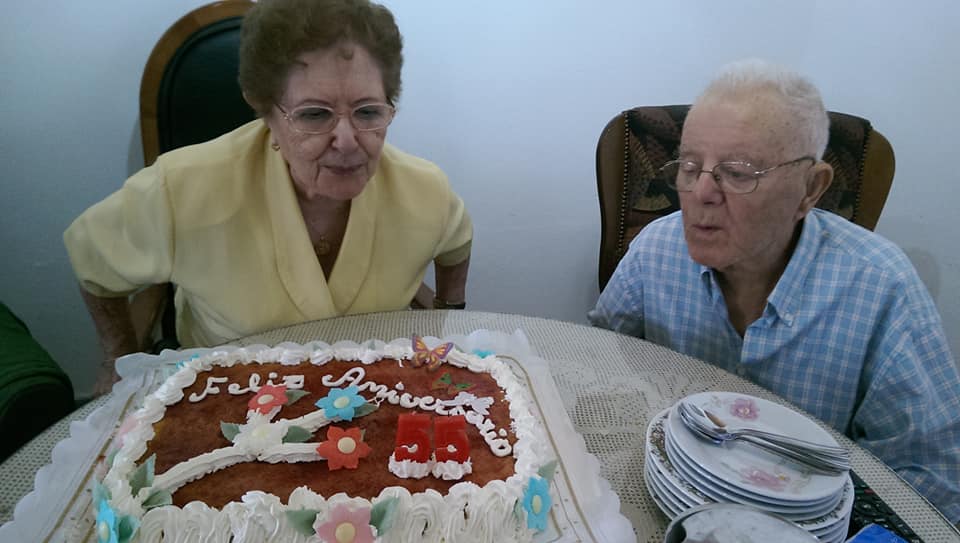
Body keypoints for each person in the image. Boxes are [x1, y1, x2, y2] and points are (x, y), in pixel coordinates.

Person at [589, 59, 960, 523]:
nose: (701, 193)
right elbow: (595, 371)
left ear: (810, 188)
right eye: (689, 166)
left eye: (738, 172)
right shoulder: (655, 250)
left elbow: (933, 478)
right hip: (661, 496)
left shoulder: (882, 286)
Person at [64, 0, 472, 396]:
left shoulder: (424, 188)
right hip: (228, 405)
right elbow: (93, 262)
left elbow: (456, 243)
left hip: (379, 396)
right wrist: (117, 358)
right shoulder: (181, 189)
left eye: (367, 112)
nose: (348, 142)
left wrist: (446, 314)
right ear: (265, 111)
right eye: (315, 114)